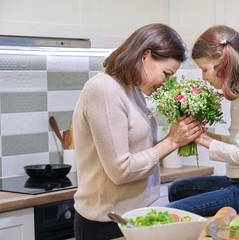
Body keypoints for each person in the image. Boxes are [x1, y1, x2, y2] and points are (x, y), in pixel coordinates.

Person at [72, 23, 203, 240]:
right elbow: (121, 170)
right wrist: (171, 142)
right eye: (166, 73)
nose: (165, 83)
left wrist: (176, 137)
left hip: (134, 218)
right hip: (107, 223)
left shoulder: (132, 89)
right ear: (146, 56)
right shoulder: (104, 89)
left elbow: (139, 151)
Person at [166, 25, 239, 217]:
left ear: (222, 63)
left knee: (167, 213)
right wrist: (204, 134)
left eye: (204, 69)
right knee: (177, 189)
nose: (203, 77)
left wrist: (202, 140)